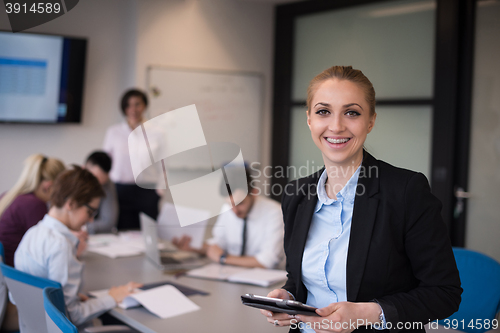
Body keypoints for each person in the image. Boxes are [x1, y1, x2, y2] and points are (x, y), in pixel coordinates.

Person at [260, 66, 462, 332]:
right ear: (309, 119)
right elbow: (299, 281)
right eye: (323, 111)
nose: (336, 126)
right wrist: (289, 297)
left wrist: (369, 312)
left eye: (352, 113)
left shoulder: (406, 191)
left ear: (370, 121)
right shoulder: (296, 194)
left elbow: (444, 293)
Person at [14, 166, 142, 329]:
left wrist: (62, 298)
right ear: (71, 204)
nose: (90, 221)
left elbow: (20, 294)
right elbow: (72, 315)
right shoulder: (61, 246)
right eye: (90, 212)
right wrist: (112, 297)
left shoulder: (32, 233)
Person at [174, 166, 284, 269]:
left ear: (254, 193)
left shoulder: (275, 213)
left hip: (268, 281)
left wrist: (223, 258)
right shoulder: (227, 209)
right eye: (230, 204)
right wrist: (193, 247)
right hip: (232, 275)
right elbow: (219, 244)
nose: (234, 210)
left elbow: (267, 261)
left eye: (240, 203)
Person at [103, 88, 161, 230]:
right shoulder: (114, 132)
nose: (133, 109)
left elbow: (164, 164)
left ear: (145, 106)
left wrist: (160, 191)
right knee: (123, 232)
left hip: (147, 190)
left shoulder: (157, 132)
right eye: (128, 105)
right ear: (124, 108)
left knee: (148, 233)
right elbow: (105, 162)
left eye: (137, 104)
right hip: (120, 190)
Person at [0, 154, 65, 266]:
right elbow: (46, 250)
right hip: (18, 272)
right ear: (48, 187)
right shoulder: (35, 205)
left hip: (6, 272)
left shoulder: (7, 196)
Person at [84, 151, 119, 234]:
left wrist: (85, 228)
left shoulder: (107, 185)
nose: (96, 186)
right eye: (94, 178)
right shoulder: (72, 184)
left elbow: (108, 222)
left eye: (100, 182)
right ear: (84, 169)